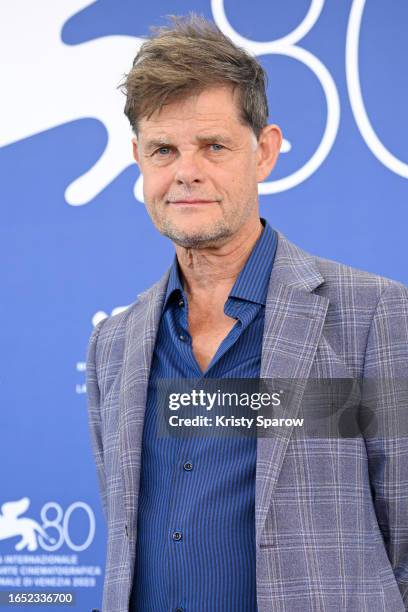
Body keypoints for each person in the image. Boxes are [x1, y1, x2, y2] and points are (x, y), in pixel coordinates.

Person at [86, 14, 408, 612]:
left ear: (264, 151)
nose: (186, 171)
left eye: (213, 146)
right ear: (138, 159)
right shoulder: (114, 343)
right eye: (164, 150)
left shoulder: (374, 316)